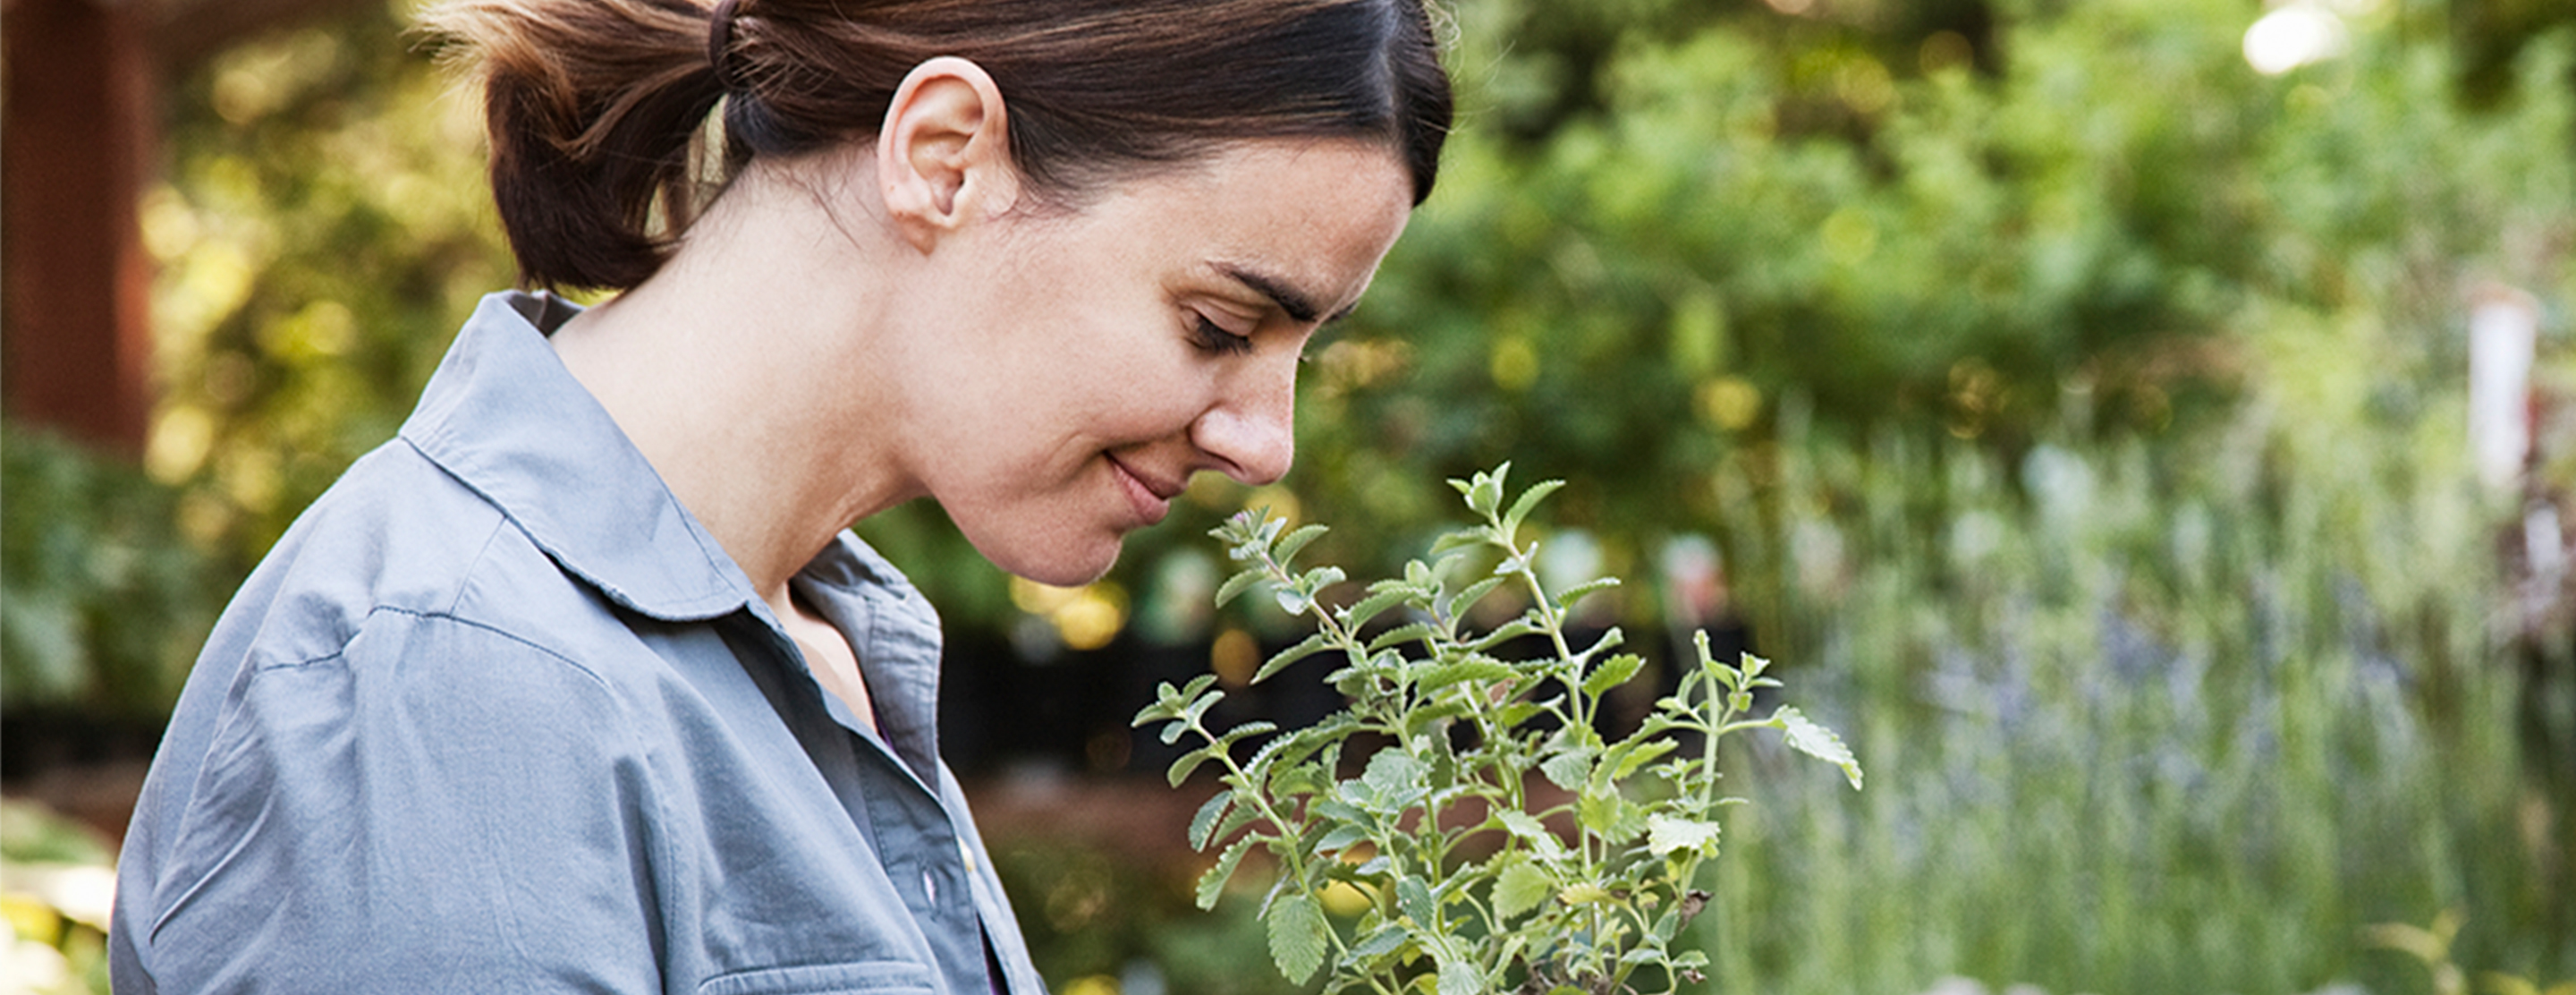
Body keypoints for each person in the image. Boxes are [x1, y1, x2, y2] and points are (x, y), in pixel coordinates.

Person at [107, 0, 1453, 990]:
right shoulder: (457, 679)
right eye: (1220, 325)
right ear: (943, 156)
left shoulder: (829, 650)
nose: (1264, 443)